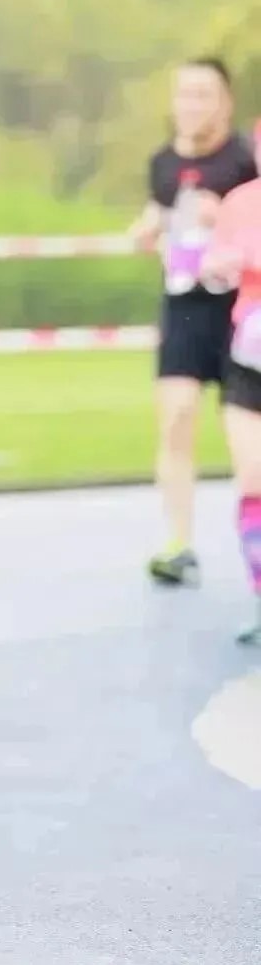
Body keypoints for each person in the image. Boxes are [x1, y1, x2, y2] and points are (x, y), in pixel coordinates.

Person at [127, 58, 257, 585]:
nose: (192, 104)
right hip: (183, 304)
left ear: (225, 103)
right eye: (184, 94)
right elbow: (162, 213)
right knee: (176, 415)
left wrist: (222, 214)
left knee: (245, 434)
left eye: (204, 94)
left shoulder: (246, 160)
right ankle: (179, 542)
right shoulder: (162, 162)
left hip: (242, 312)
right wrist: (148, 227)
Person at [203, 118, 261, 643]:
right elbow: (214, 267)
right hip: (249, 356)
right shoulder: (239, 203)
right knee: (253, 480)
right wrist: (217, 267)